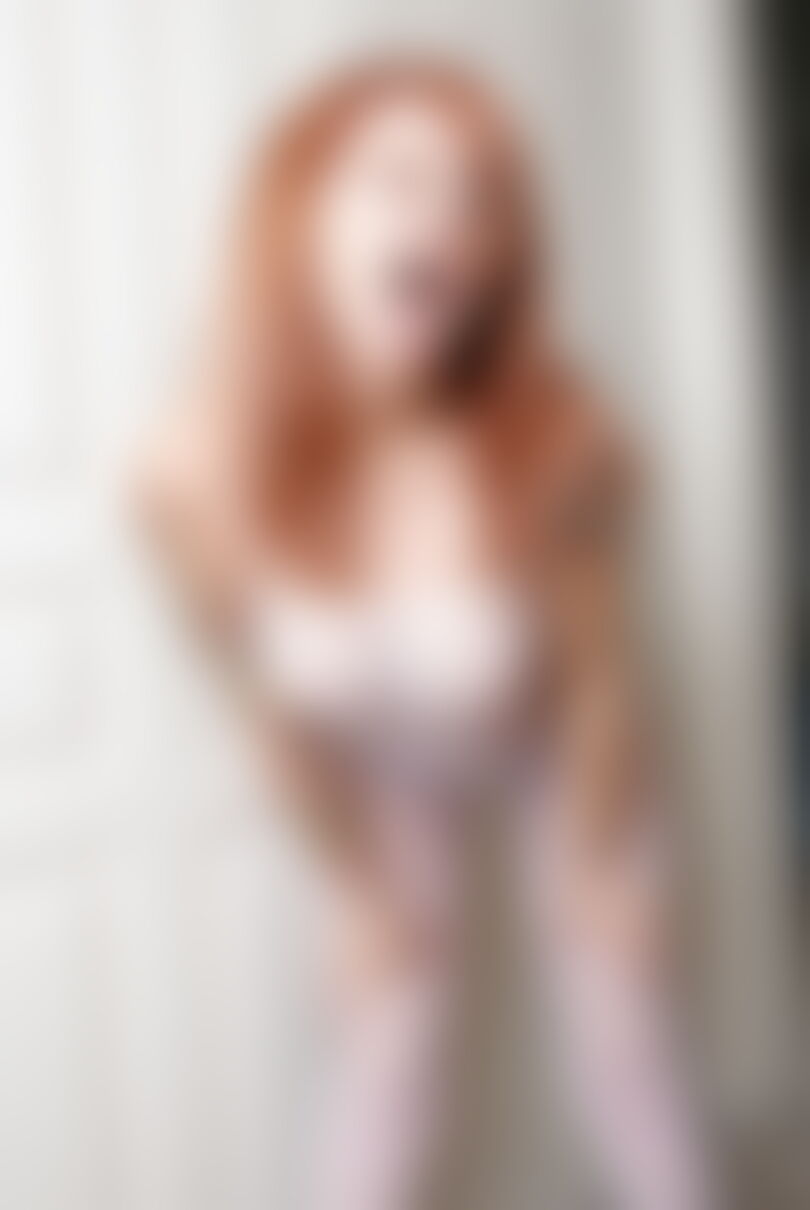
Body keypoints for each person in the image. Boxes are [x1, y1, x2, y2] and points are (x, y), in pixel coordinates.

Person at [136, 58, 713, 1210]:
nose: (449, 221)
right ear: (296, 215)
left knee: (620, 1033)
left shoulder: (558, 439)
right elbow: (262, 701)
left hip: (556, 738)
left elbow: (599, 683)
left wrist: (598, 872)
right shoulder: (189, 473)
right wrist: (357, 887)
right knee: (385, 1050)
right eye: (400, 179)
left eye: (478, 196)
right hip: (380, 764)